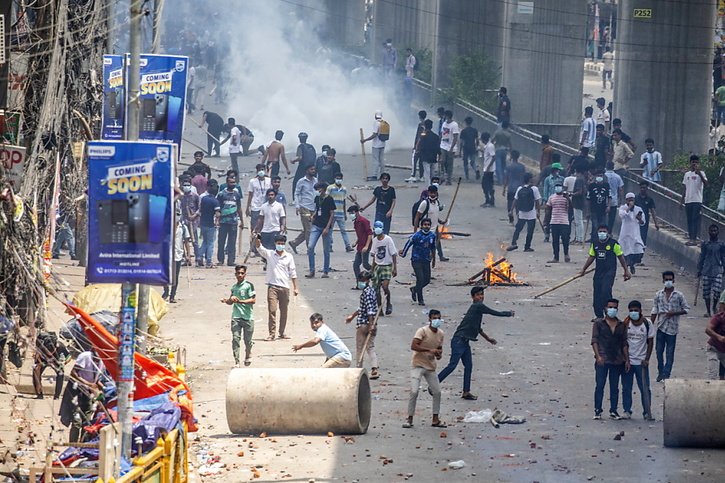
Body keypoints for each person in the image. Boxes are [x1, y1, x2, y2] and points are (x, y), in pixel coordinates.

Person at [437, 286, 515, 400]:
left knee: (468, 366)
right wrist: (507, 313)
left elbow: (478, 328)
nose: (481, 297)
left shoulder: (476, 310)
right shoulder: (478, 306)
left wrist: (488, 339)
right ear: (473, 297)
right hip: (459, 341)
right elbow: (493, 312)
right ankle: (434, 384)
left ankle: (466, 392)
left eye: (482, 294)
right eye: (478, 295)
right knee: (452, 365)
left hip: (464, 341)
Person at [403, 310, 446, 429]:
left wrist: (438, 354)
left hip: (430, 366)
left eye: (438, 318)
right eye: (434, 318)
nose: (436, 320)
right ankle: (409, 418)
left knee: (437, 392)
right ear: (430, 319)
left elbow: (439, 349)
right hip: (418, 364)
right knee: (414, 391)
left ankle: (435, 418)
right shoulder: (422, 331)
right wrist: (429, 350)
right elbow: (414, 346)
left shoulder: (441, 333)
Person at [580, 225, 632, 318]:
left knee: (605, 291)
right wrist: (583, 269)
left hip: (610, 272)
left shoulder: (613, 243)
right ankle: (599, 316)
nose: (602, 233)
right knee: (597, 293)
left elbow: (620, 257)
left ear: (608, 233)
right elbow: (591, 257)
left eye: (604, 231)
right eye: (600, 231)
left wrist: (626, 270)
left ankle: (609, 313)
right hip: (598, 272)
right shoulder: (595, 244)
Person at [256, 234, 299, 341]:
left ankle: (282, 332)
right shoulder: (270, 254)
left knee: (284, 311)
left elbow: (293, 273)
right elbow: (259, 248)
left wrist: (295, 287)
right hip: (272, 287)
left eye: (282, 244)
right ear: (275, 244)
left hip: (285, 287)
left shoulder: (289, 256)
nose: (280, 245)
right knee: (272, 310)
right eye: (278, 243)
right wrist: (257, 239)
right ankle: (272, 333)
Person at [590, 298, 628, 420]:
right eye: (610, 307)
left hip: (617, 360)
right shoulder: (599, 324)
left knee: (614, 386)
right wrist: (598, 356)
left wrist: (626, 359)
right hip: (602, 359)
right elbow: (594, 341)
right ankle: (597, 410)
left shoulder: (621, 325)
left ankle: (613, 410)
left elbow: (624, 343)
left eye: (614, 308)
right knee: (600, 385)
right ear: (605, 308)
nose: (612, 310)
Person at [651, 271, 690, 382]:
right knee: (659, 351)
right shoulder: (658, 295)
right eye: (666, 279)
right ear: (663, 281)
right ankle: (660, 371)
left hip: (672, 329)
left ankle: (666, 374)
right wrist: (650, 325)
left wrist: (674, 313)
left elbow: (686, 309)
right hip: (661, 327)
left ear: (673, 280)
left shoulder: (679, 295)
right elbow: (655, 309)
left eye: (670, 279)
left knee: (669, 353)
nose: (668, 281)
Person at [59, 350, 103, 442]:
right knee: (77, 421)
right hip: (77, 392)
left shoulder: (102, 362)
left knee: (87, 422)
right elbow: (73, 373)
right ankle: (73, 445)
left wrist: (103, 388)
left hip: (89, 394)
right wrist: (88, 384)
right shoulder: (85, 356)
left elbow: (96, 379)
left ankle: (83, 444)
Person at [621, 301, 654, 420]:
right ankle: (626, 410)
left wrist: (647, 359)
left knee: (645, 388)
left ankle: (647, 411)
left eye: (636, 310)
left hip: (641, 362)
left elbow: (650, 341)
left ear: (640, 310)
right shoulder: (625, 323)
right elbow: (623, 342)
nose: (633, 313)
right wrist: (626, 360)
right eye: (631, 310)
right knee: (626, 387)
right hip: (628, 362)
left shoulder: (647, 323)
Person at [345, 270, 380, 379]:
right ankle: (374, 369)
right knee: (370, 347)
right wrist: (352, 315)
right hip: (371, 323)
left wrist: (371, 325)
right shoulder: (371, 291)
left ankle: (358, 369)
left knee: (360, 347)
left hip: (364, 324)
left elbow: (369, 310)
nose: (360, 282)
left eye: (361, 280)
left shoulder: (367, 293)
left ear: (367, 280)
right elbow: (363, 308)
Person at [221, 265, 256, 367]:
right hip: (236, 317)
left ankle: (248, 354)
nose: (240, 275)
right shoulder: (234, 288)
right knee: (236, 339)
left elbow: (253, 300)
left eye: (242, 273)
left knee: (247, 340)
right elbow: (230, 302)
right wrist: (227, 301)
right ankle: (236, 361)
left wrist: (240, 301)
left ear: (245, 274)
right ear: (235, 274)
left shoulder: (249, 285)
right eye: (238, 273)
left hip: (248, 317)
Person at [400, 218, 436, 306]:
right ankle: (420, 299)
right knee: (420, 279)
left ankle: (415, 289)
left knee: (426, 280)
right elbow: (408, 243)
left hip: (426, 260)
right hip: (416, 260)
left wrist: (434, 259)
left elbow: (433, 248)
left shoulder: (432, 235)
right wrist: (404, 253)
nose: (426, 226)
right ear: (421, 226)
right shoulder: (416, 236)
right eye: (425, 224)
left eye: (428, 224)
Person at [305, 182, 336, 278]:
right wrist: (313, 216)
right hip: (316, 225)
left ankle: (326, 271)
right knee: (310, 247)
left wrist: (327, 227)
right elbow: (317, 209)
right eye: (317, 189)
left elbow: (332, 214)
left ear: (324, 188)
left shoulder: (330, 199)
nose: (318, 190)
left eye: (320, 188)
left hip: (326, 226)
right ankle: (312, 270)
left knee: (326, 250)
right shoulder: (317, 198)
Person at [506, 172, 541, 252]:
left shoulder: (519, 188)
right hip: (531, 213)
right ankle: (527, 246)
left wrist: (511, 210)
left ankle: (514, 243)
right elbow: (537, 202)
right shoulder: (534, 189)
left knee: (518, 229)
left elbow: (515, 200)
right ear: (530, 179)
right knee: (530, 231)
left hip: (522, 213)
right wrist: (538, 212)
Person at [370, 220, 397, 315]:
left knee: (385, 286)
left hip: (387, 266)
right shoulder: (374, 241)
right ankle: (379, 308)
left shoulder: (388, 239)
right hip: (378, 265)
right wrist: (372, 269)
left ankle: (388, 303)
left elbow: (394, 254)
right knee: (376, 289)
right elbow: (374, 255)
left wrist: (395, 268)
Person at [697, 224, 725, 317]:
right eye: (712, 231)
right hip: (707, 270)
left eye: (715, 231)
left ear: (718, 232)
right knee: (706, 292)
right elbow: (702, 256)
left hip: (717, 269)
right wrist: (699, 269)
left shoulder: (721, 244)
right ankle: (708, 311)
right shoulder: (705, 244)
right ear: (709, 232)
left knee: (717, 292)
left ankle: (714, 307)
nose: (713, 232)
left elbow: (723, 257)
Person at [290, 164, 318, 254]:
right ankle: (310, 248)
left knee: (308, 228)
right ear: (307, 171)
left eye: (314, 169)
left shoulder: (316, 180)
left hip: (313, 208)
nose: (313, 171)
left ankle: (295, 243)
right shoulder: (301, 181)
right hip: (304, 207)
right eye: (311, 169)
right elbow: (297, 194)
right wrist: (297, 206)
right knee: (309, 229)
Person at [681, 155, 708, 245]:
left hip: (697, 200)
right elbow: (684, 188)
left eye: (696, 162)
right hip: (688, 200)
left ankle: (694, 238)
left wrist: (699, 173)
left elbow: (706, 184)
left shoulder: (702, 173)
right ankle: (690, 238)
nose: (694, 164)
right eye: (693, 162)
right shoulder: (687, 174)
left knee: (694, 219)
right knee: (689, 220)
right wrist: (681, 201)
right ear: (690, 163)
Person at [216, 176, 244, 266]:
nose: (233, 184)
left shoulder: (237, 194)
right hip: (223, 222)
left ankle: (231, 260)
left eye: (234, 182)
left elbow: (239, 208)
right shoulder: (221, 194)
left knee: (232, 242)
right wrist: (217, 219)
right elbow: (218, 208)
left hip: (233, 222)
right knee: (221, 241)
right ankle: (220, 260)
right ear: (227, 183)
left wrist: (242, 221)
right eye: (231, 182)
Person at [32, 331, 69, 399]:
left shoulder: (61, 347)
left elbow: (69, 357)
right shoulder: (40, 348)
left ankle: (57, 396)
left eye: (52, 351)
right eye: (48, 352)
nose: (50, 353)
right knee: (35, 371)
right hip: (42, 359)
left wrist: (63, 363)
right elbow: (37, 364)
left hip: (56, 360)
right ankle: (39, 394)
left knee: (61, 373)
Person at [246, 165, 272, 256]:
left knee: (264, 228)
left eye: (263, 169)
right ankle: (254, 249)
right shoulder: (253, 181)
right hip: (255, 207)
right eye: (260, 170)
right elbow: (250, 194)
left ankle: (262, 247)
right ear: (257, 171)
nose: (261, 171)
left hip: (265, 207)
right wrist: (247, 207)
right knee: (255, 228)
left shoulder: (269, 181)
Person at [618, 193, 646, 274]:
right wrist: (629, 208)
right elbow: (622, 215)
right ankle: (627, 266)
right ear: (626, 200)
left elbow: (642, 222)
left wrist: (640, 219)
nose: (631, 201)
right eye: (629, 199)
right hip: (625, 233)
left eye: (632, 199)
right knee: (626, 251)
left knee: (639, 250)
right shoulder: (623, 208)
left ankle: (632, 264)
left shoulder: (638, 209)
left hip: (635, 233)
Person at [162, 216, 188, 302]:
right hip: (167, 254)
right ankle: (166, 292)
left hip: (178, 255)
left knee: (175, 276)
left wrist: (187, 254)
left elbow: (186, 241)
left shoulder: (183, 228)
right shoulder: (166, 227)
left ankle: (172, 295)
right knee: (165, 274)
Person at [544, 182, 571, 263]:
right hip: (554, 221)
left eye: (559, 187)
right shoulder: (551, 197)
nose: (558, 188)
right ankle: (556, 257)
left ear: (562, 188)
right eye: (557, 187)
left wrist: (567, 198)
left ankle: (566, 254)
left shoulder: (566, 197)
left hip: (564, 221)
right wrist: (546, 221)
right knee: (555, 240)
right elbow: (548, 209)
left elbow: (571, 207)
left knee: (565, 239)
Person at [327, 172, 353, 252]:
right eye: (337, 178)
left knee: (343, 230)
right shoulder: (330, 188)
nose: (338, 180)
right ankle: (329, 246)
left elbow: (344, 201)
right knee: (330, 231)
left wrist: (345, 213)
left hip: (340, 213)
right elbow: (327, 199)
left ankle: (348, 246)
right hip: (332, 213)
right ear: (334, 179)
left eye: (340, 178)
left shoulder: (344, 189)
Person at [634, 182, 659, 263]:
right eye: (641, 188)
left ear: (647, 189)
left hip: (644, 222)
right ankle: (634, 255)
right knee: (635, 238)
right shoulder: (636, 198)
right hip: (635, 222)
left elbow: (652, 211)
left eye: (644, 188)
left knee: (643, 238)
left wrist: (656, 223)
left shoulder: (649, 199)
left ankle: (640, 256)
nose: (642, 189)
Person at [540, 162, 565, 242]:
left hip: (559, 201)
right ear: (555, 170)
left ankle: (560, 236)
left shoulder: (562, 179)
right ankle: (547, 236)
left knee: (559, 219)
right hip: (550, 202)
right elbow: (545, 190)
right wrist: (545, 201)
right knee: (548, 219)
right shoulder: (548, 179)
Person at [348, 205, 372, 284]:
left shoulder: (364, 221)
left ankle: (375, 272)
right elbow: (360, 234)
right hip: (360, 245)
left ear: (357, 212)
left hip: (365, 245)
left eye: (352, 213)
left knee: (365, 264)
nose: (351, 215)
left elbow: (369, 234)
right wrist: (356, 242)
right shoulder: (356, 222)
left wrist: (367, 246)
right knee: (356, 265)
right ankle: (359, 282)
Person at [361, 111, 388, 180]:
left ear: (375, 116)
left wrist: (365, 140)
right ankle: (382, 174)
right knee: (381, 160)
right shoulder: (384, 123)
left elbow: (374, 134)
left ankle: (374, 175)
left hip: (376, 145)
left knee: (375, 160)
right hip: (382, 144)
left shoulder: (376, 123)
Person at [199, 180, 220, 268]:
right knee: (211, 243)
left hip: (203, 223)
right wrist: (217, 223)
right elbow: (217, 214)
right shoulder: (215, 201)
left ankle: (199, 256)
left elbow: (200, 210)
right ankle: (209, 262)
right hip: (211, 225)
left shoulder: (203, 199)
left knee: (205, 241)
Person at [180, 178, 201, 265]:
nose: (186, 187)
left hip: (193, 221)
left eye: (188, 185)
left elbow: (200, 208)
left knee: (194, 240)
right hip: (184, 220)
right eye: (184, 185)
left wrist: (194, 215)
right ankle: (186, 258)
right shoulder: (181, 196)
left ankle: (198, 258)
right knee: (184, 240)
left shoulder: (195, 196)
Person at [290, 133, 317, 201]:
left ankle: (295, 199)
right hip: (312, 166)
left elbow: (300, 157)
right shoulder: (311, 146)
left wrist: (293, 160)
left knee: (296, 182)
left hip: (302, 167)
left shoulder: (300, 146)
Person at [587, 170, 611, 244]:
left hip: (603, 209)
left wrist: (609, 206)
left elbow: (609, 197)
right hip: (594, 209)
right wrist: (588, 211)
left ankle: (603, 242)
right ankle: (594, 243)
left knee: (603, 226)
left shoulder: (606, 185)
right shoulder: (591, 186)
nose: (599, 177)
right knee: (595, 227)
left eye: (601, 175)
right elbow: (588, 199)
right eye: (598, 175)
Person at [503, 150, 526, 224]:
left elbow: (506, 178)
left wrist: (504, 188)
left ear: (511, 156)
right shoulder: (522, 167)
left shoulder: (509, 167)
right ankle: (519, 218)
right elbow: (524, 178)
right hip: (520, 187)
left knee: (510, 203)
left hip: (511, 188)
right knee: (519, 204)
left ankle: (511, 219)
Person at [565, 166, 587, 244]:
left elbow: (579, 191)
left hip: (577, 202)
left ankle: (579, 239)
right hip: (579, 202)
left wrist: (571, 194)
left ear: (576, 171)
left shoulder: (579, 179)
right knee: (578, 221)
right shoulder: (582, 179)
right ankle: (577, 238)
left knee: (578, 221)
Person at [438, 110, 460, 185]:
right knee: (442, 161)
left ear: (447, 116)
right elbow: (442, 134)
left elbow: (455, 137)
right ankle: (442, 176)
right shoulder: (444, 123)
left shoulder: (454, 125)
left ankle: (448, 179)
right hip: (443, 145)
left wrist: (451, 147)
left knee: (449, 164)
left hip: (450, 147)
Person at [416, 119, 440, 184]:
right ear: (431, 126)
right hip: (433, 157)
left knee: (427, 173)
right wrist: (440, 155)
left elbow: (419, 143)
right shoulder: (436, 136)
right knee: (432, 174)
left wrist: (417, 151)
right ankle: (433, 187)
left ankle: (428, 188)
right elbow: (438, 148)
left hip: (425, 157)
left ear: (425, 126)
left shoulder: (423, 135)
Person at [706, 309, 725, 380]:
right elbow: (708, 329)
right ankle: (710, 390)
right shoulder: (719, 317)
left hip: (723, 351)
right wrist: (718, 337)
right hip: (713, 348)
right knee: (712, 374)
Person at [604, 161, 624, 231]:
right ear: (613, 167)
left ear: (606, 166)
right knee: (611, 219)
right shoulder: (617, 177)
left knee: (603, 218)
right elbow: (620, 189)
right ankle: (609, 232)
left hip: (604, 200)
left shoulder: (604, 176)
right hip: (614, 201)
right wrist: (620, 200)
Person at [408, 110, 427, 182]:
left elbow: (419, 136)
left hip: (419, 145)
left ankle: (413, 175)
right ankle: (421, 176)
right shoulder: (425, 125)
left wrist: (416, 145)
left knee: (414, 160)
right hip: (424, 146)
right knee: (421, 161)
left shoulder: (421, 125)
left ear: (420, 116)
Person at [479, 131, 497, 207]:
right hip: (487, 168)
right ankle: (489, 200)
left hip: (489, 170)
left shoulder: (490, 146)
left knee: (486, 185)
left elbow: (493, 157)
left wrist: (488, 167)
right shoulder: (487, 146)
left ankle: (489, 200)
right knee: (487, 185)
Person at [492, 120, 512, 185]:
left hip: (498, 149)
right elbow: (510, 144)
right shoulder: (508, 134)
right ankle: (504, 179)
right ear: (507, 126)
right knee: (503, 166)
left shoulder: (497, 132)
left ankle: (500, 180)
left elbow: (492, 140)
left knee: (498, 165)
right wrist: (511, 153)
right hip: (505, 150)